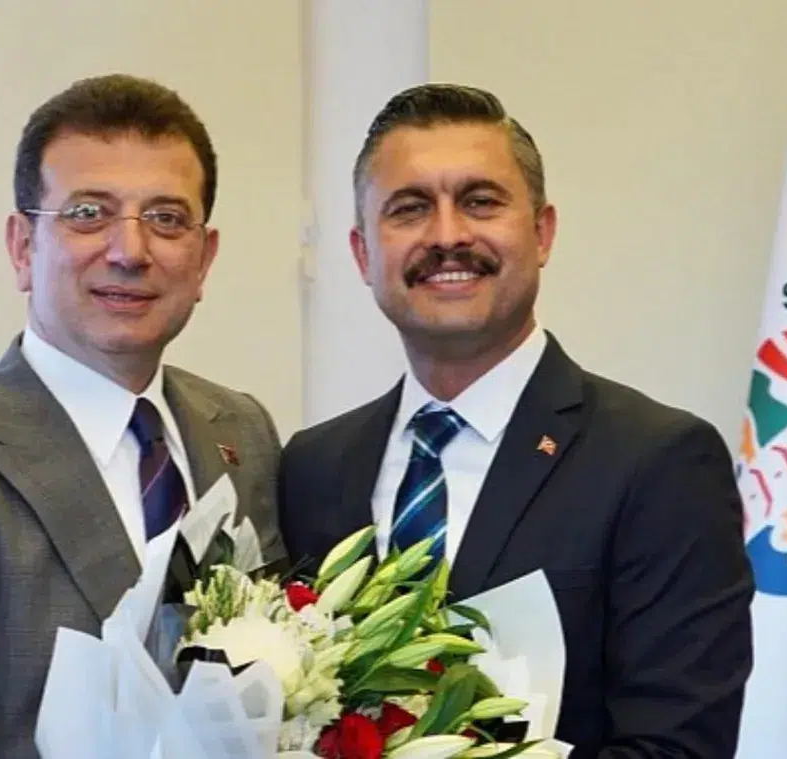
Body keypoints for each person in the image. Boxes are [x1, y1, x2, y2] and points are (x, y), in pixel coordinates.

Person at [278, 83, 754, 758]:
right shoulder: (312, 467)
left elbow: (678, 748)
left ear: (542, 232)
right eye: (410, 208)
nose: (448, 236)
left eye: (480, 201)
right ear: (363, 253)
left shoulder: (659, 461)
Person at [0, 73, 285, 759]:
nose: (130, 252)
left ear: (204, 259)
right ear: (23, 247)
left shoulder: (242, 432)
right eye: (88, 214)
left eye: (166, 218)